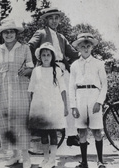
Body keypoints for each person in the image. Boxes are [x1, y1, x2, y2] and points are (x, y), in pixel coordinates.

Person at [28, 7, 79, 138]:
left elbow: (73, 53)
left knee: (69, 98)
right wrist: (32, 65)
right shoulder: (41, 33)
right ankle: (48, 132)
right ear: (46, 20)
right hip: (47, 71)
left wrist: (87, 56)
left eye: (57, 18)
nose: (54, 21)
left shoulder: (61, 37)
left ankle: (72, 135)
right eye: (51, 18)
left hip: (62, 70)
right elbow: (29, 47)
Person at [0, 19, 34, 168]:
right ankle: (15, 155)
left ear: (16, 33)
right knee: (7, 120)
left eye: (11, 31)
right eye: (6, 32)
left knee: (21, 119)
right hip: (3, 87)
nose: (9, 34)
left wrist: (24, 71)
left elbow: (30, 67)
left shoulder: (24, 48)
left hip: (20, 86)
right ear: (2, 34)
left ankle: (26, 156)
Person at [69, 33, 108, 168]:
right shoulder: (74, 65)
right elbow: (71, 86)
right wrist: (73, 106)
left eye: (88, 46)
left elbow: (104, 85)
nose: (85, 49)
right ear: (78, 48)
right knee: (82, 132)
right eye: (82, 46)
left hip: (93, 96)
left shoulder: (98, 63)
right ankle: (84, 162)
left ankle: (100, 162)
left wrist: (99, 101)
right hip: (80, 97)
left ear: (92, 47)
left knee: (97, 131)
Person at [28, 42, 68, 168]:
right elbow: (31, 90)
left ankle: (52, 159)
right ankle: (45, 158)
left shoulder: (57, 70)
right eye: (43, 55)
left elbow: (63, 89)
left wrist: (65, 106)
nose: (46, 57)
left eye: (48, 55)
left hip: (54, 105)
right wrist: (31, 108)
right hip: (40, 106)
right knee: (43, 134)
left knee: (53, 133)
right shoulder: (36, 71)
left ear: (52, 57)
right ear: (40, 57)